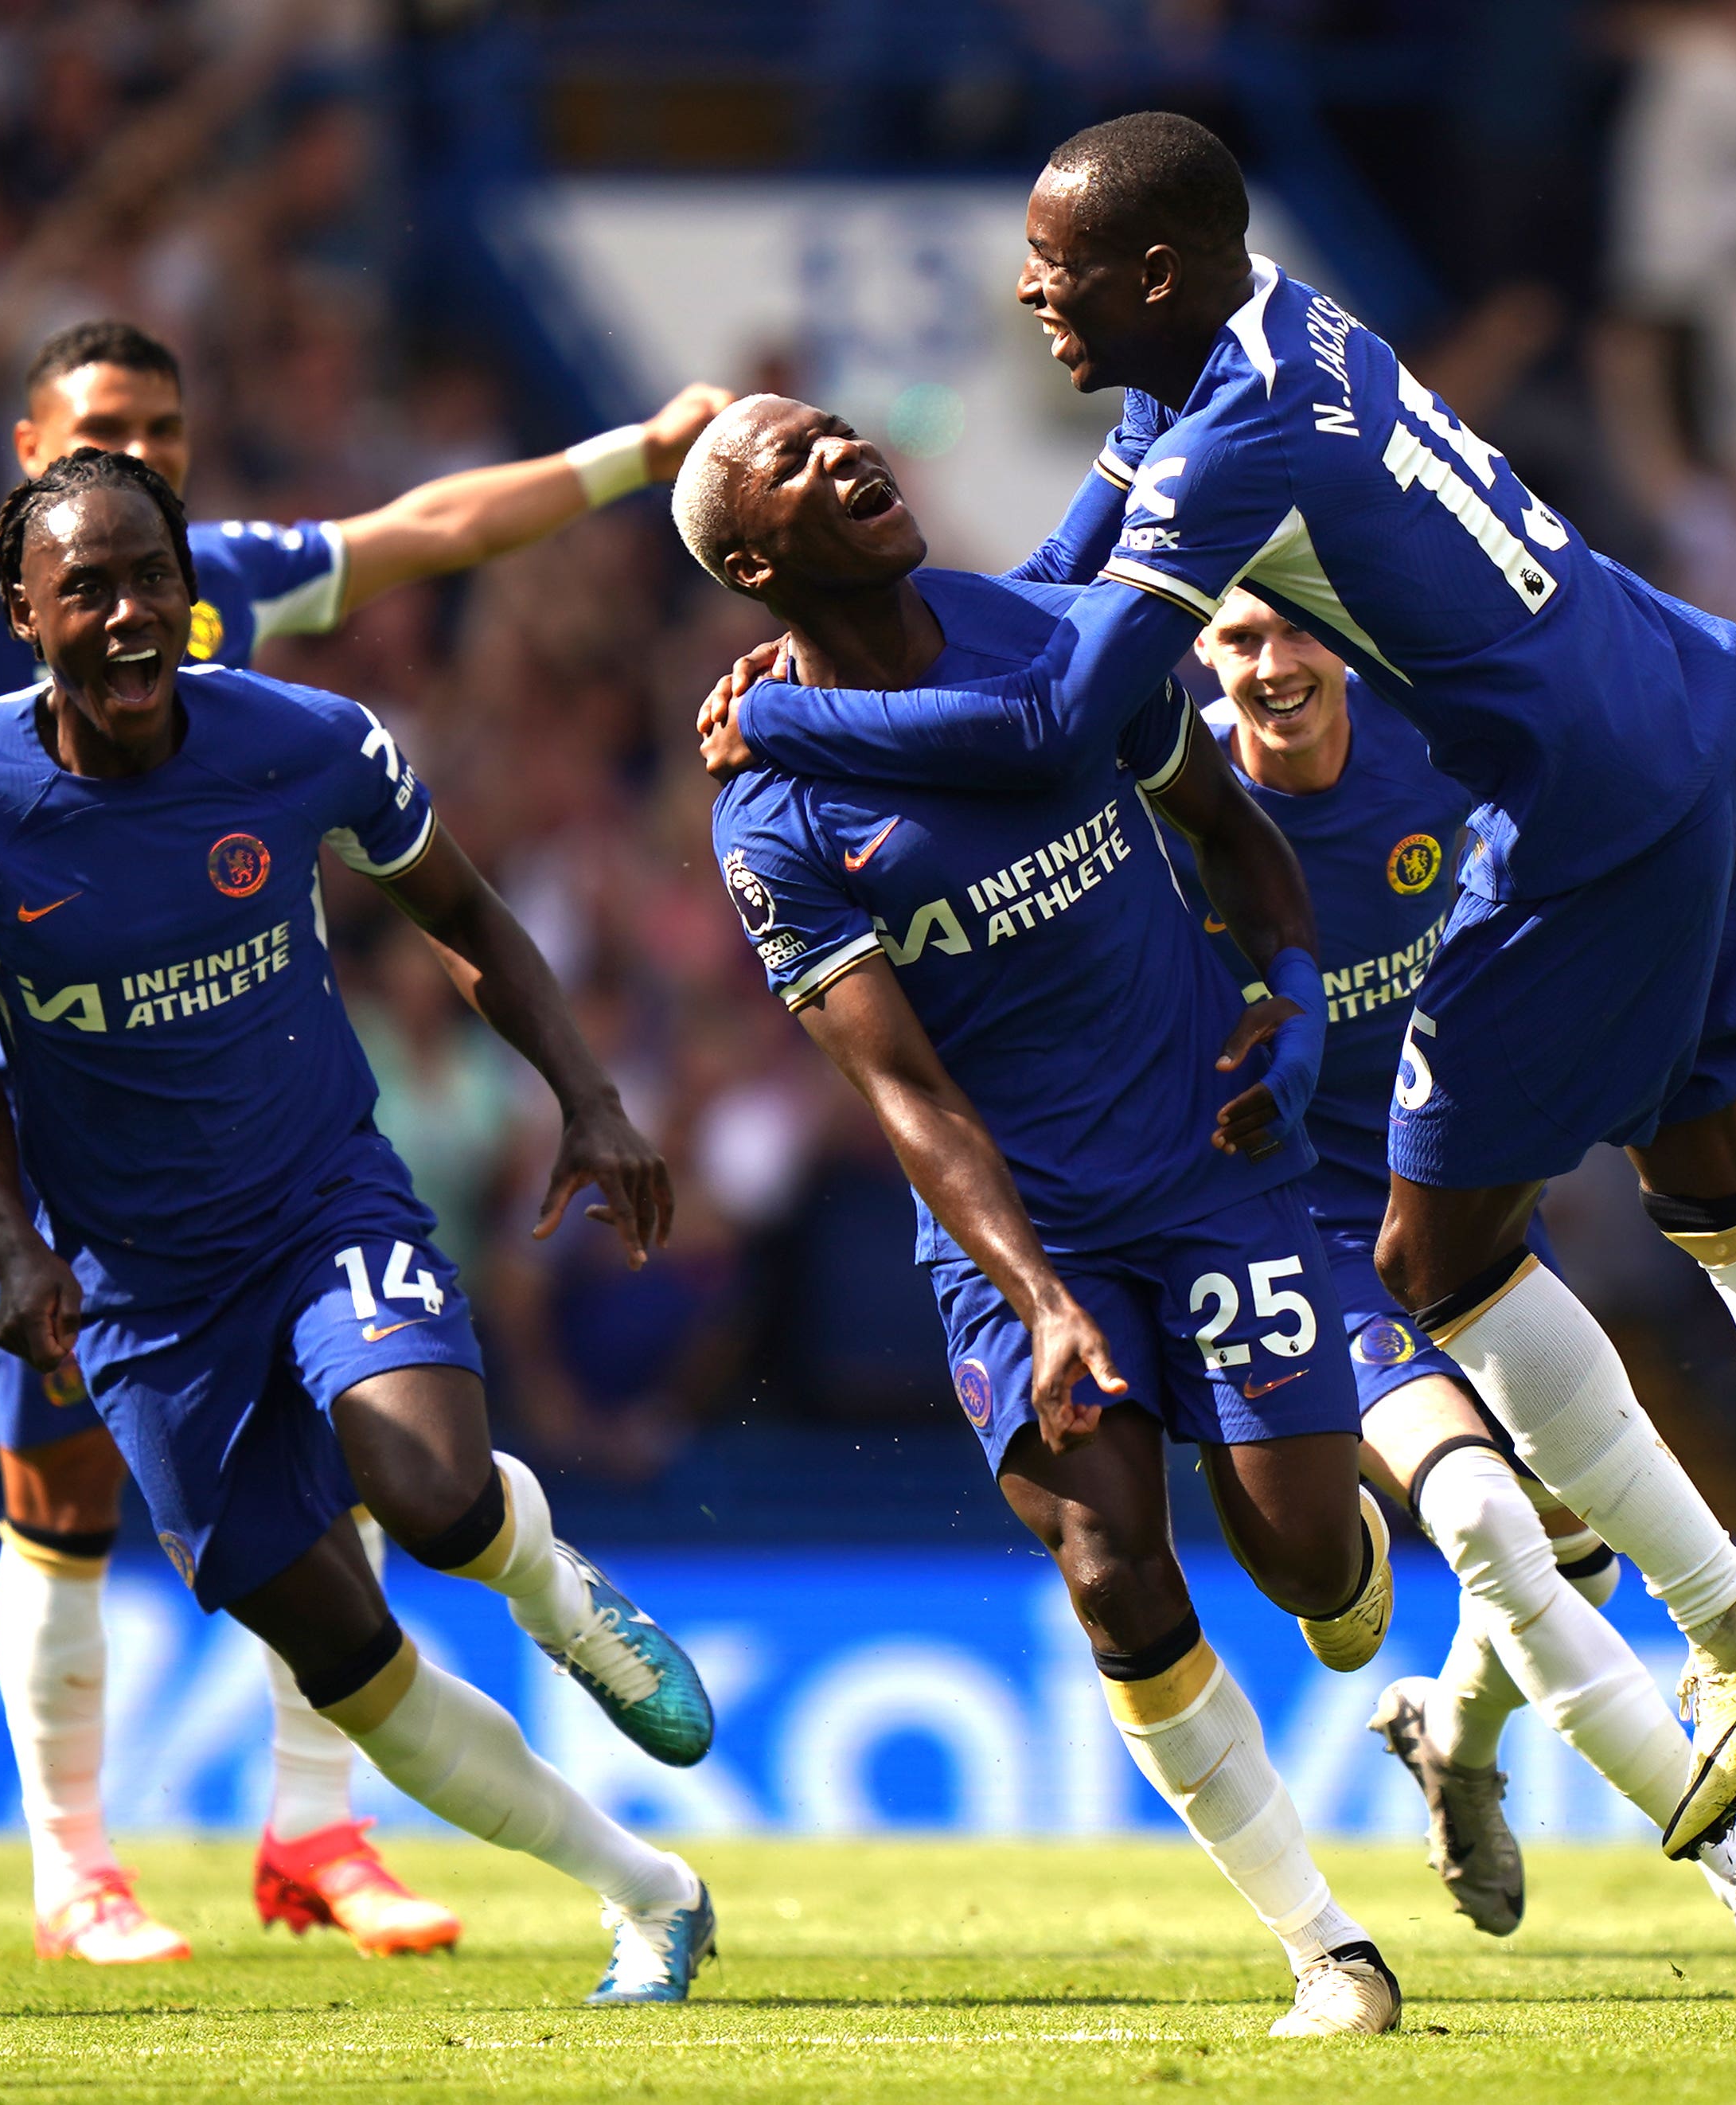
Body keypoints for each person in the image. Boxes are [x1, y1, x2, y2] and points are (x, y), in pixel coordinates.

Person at [704, 113, 1736, 1849]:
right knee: (1725, 1181)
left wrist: (783, 712)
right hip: (1671, 696)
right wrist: (839, 665)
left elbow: (1052, 717)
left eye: (1057, 262)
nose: (1029, 288)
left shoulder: (1233, 437)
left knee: (1429, 1259)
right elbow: (1044, 607)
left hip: (1579, 813)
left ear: (1150, 274)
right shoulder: (1266, 332)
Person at [0, 191, 731, 1960]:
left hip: (287, 1156)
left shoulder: (241, 633)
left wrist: (639, 452)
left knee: (420, 1477)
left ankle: (335, 1810)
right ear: (25, 505)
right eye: (103, 455)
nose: (139, 514)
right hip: (51, 1175)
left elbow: (438, 527)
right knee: (73, 1509)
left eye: (161, 458)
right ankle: (80, 1859)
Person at [0, 449, 716, 2005]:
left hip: (324, 1200)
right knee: (354, 1666)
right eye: (88, 590)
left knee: (434, 1488)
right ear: (19, 610)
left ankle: (556, 1591)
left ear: (192, 589)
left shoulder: (310, 741)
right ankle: (648, 1889)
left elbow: (462, 912)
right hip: (136, 1292)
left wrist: (589, 1096)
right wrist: (17, 1243)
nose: (130, 617)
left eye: (153, 579)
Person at [681, 392, 1400, 2041]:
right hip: (1027, 1231)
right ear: (749, 557)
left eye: (839, 430)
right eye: (792, 459)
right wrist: (1038, 1292)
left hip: (1209, 1172)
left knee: (1308, 1571)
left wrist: (1286, 986)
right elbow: (909, 1096)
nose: (844, 450)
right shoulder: (770, 821)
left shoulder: (1047, 641)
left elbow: (1235, 837)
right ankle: (1328, 1949)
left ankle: (1346, 1559)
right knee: (1106, 1557)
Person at [1181, 588, 1736, 1993]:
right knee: (1486, 1516)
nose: (1273, 665)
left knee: (1566, 1541)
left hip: (1461, 1209)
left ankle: (1448, 1742)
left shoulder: (1443, 743)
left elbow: (1672, 799)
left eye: (1293, 633)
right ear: (1198, 654)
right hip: (1296, 1247)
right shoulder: (1170, 818)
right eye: (1237, 640)